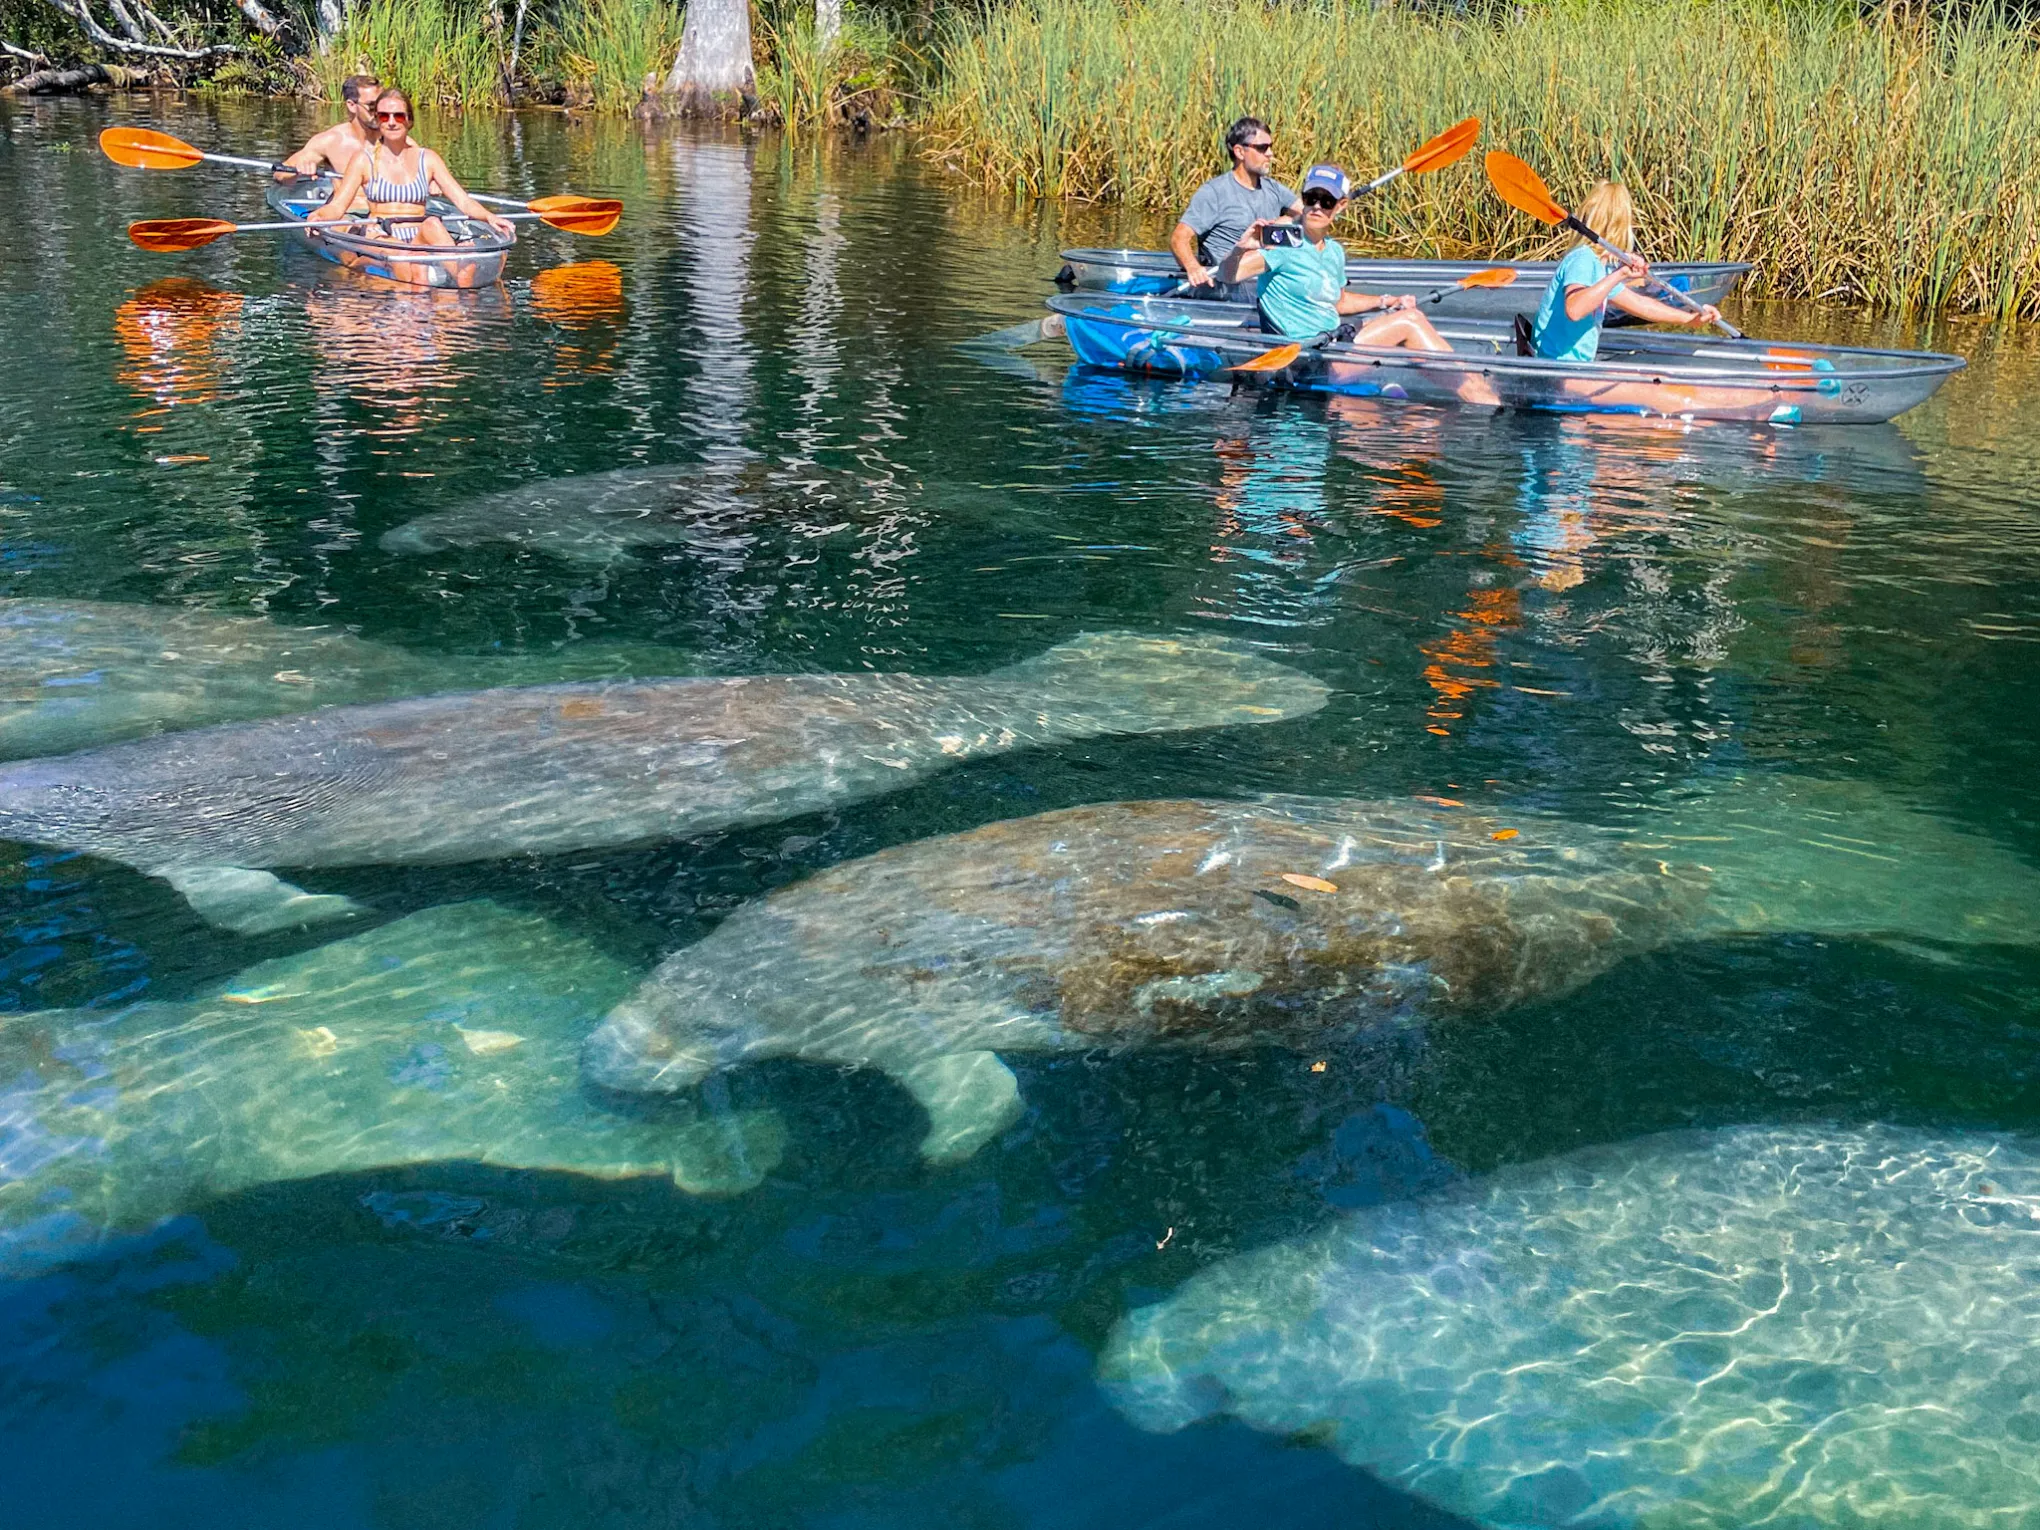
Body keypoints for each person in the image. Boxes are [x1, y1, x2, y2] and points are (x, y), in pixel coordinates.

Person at [1216, 164, 1454, 352]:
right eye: (1311, 198)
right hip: (1304, 356)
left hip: (1333, 341)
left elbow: (1338, 303)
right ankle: (1482, 397)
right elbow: (1228, 275)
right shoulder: (1285, 241)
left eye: (1327, 201)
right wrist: (1240, 249)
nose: (1317, 207)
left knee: (1406, 315)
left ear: (1340, 206)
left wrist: (1387, 301)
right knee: (1409, 321)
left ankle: (1478, 394)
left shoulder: (1334, 251)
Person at [1531, 181, 1722, 362]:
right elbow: (1574, 309)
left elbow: (1641, 304)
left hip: (1576, 367)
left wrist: (1690, 319)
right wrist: (1620, 275)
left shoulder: (1600, 267)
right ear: (1621, 226)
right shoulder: (1583, 259)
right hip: (1559, 369)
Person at [311, 89, 515, 251]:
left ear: (409, 120)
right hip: (382, 236)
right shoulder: (363, 160)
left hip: (420, 234)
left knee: (433, 223)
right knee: (401, 251)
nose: (391, 122)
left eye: (398, 116)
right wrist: (318, 216)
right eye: (384, 117)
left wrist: (490, 217)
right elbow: (338, 207)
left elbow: (463, 201)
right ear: (378, 121)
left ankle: (457, 276)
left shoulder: (428, 159)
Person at [1170, 117, 1301, 291]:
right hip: (1229, 284)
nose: (1270, 153)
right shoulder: (1214, 193)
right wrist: (1193, 268)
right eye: (1262, 148)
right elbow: (1179, 238)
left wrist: (1285, 220)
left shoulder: (1273, 188)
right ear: (1240, 152)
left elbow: (1307, 214)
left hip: (1265, 278)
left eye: (1270, 147)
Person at [280, 74, 383, 179]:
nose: (379, 111)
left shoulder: (395, 138)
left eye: (382, 104)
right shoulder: (331, 141)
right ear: (352, 106)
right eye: (372, 106)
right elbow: (281, 173)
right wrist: (299, 170)